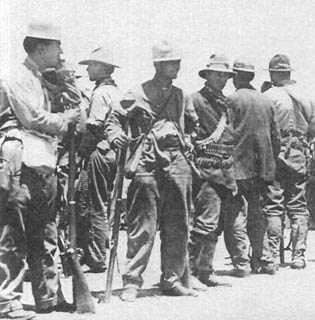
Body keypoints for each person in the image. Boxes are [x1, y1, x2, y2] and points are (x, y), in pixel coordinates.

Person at [105, 41, 199, 301]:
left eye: (178, 62)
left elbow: (193, 124)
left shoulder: (181, 96)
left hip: (177, 163)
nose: (177, 67)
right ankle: (132, 282)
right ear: (158, 65)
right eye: (171, 63)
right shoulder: (137, 93)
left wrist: (188, 141)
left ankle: (172, 279)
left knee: (178, 224)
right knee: (142, 225)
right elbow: (113, 119)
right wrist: (115, 136)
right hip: (147, 162)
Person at [0, 22, 81, 319]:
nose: (61, 52)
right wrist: (64, 119)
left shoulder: (45, 80)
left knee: (45, 231)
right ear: (41, 47)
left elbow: (79, 117)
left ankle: (48, 296)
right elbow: (32, 118)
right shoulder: (17, 77)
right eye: (58, 46)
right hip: (19, 157)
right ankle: (6, 300)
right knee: (14, 233)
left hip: (44, 159)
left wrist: (68, 80)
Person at [188, 55, 250, 286]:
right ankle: (191, 272)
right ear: (207, 75)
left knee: (215, 226)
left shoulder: (225, 102)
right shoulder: (195, 100)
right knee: (204, 224)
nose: (222, 79)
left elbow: (230, 137)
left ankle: (205, 270)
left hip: (225, 171)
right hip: (206, 171)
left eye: (225, 76)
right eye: (217, 75)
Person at [263, 54, 315, 270]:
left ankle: (273, 256)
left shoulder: (268, 96)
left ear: (273, 74)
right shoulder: (305, 96)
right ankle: (299, 256)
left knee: (273, 205)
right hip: (298, 154)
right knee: (297, 206)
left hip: (275, 154)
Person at [227, 59, 280, 275]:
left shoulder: (231, 100)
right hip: (262, 168)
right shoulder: (266, 101)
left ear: (235, 77)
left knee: (236, 214)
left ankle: (242, 263)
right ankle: (265, 260)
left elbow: (226, 135)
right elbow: (276, 138)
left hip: (237, 167)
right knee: (258, 212)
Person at [75, 46, 122, 273]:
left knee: (95, 204)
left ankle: (96, 258)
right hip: (112, 153)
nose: (88, 70)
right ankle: (97, 252)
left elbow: (94, 129)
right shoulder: (115, 91)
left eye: (92, 65)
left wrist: (81, 154)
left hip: (99, 151)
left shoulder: (100, 93)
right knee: (102, 202)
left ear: (102, 68)